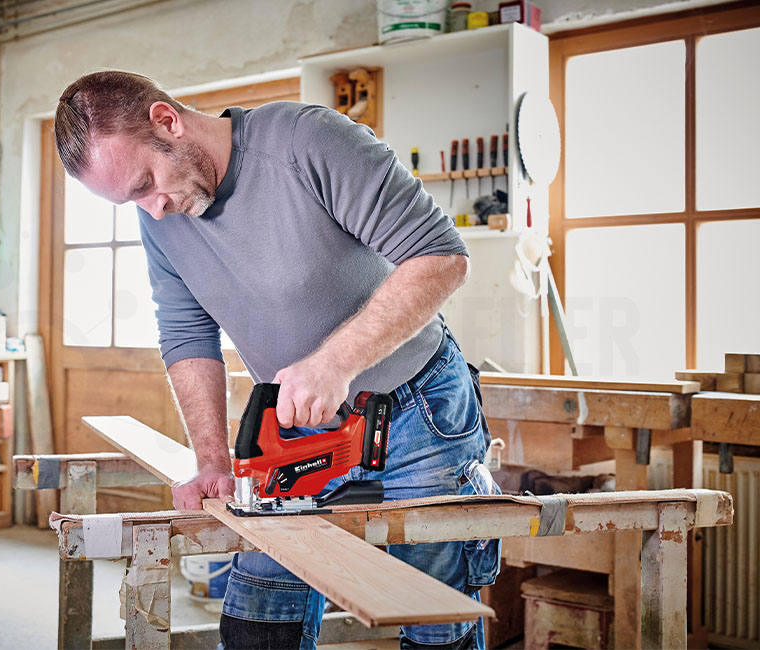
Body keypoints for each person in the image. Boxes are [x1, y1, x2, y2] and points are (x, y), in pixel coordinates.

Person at [54, 70, 500, 650]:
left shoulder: (307, 142)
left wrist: (334, 362)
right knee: (261, 617)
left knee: (434, 619)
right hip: (296, 426)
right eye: (132, 200)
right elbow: (188, 334)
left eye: (145, 183)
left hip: (417, 411)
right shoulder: (159, 216)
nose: (154, 209)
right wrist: (213, 460)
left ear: (167, 121)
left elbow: (442, 257)